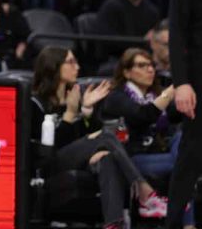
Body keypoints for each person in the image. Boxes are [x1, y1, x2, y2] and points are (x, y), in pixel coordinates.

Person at [30, 47, 167, 228]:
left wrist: (87, 112)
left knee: (107, 159)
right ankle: (144, 191)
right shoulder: (36, 103)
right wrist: (70, 114)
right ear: (53, 66)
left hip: (80, 159)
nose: (77, 67)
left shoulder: (77, 96)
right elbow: (49, 148)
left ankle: (113, 224)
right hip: (50, 164)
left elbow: (88, 137)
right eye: (71, 62)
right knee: (106, 136)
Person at [101, 48, 193, 228]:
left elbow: (178, 113)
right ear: (126, 72)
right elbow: (143, 115)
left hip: (162, 154)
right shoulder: (117, 97)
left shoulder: (155, 95)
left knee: (184, 136)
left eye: (151, 65)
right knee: (185, 166)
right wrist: (173, 89)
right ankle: (189, 225)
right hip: (132, 158)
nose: (150, 70)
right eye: (142, 66)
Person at [166, 0, 202, 227]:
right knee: (190, 158)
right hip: (198, 79)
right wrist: (181, 82)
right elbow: (177, 30)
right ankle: (174, 223)